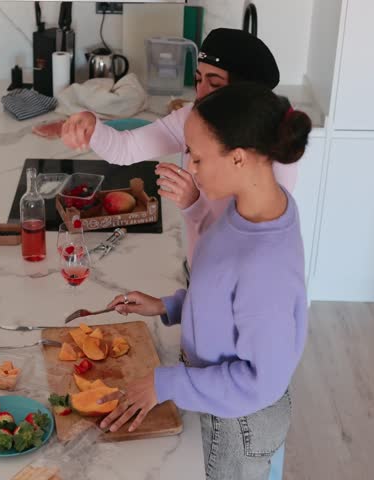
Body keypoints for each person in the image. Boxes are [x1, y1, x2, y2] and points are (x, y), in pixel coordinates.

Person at [97, 83, 312, 480]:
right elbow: (225, 294)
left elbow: (260, 381)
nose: (189, 169)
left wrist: (165, 384)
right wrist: (170, 306)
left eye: (196, 157)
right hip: (217, 399)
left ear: (238, 159)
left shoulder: (267, 265)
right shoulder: (246, 207)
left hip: (239, 424)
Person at [61, 29, 295, 263]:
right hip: (197, 272)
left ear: (245, 92)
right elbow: (126, 148)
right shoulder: (195, 117)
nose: (200, 93)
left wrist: (194, 204)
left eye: (214, 83)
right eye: (198, 80)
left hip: (228, 289)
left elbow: (245, 254)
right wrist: (91, 125)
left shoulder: (276, 152)